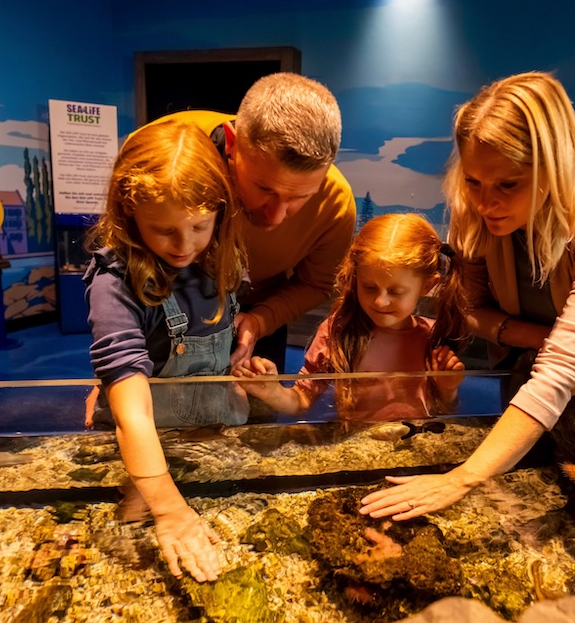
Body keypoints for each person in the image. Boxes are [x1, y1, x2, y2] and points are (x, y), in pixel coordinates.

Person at [359, 71, 575, 520]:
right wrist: (540, 338)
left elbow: (563, 368)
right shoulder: (473, 208)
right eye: (474, 181)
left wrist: (463, 477)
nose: (485, 203)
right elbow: (471, 309)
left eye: (508, 184)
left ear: (553, 168)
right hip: (537, 364)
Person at [83, 117, 247, 581]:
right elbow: (133, 413)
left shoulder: (221, 258)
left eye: (199, 226)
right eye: (163, 230)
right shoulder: (115, 284)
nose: (184, 245)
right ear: (129, 212)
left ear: (220, 212)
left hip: (209, 432)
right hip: (140, 447)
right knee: (132, 544)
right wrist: (170, 509)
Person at [143, 72, 356, 372]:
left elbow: (314, 284)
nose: (276, 216)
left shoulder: (336, 203)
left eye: (300, 197)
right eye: (265, 189)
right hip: (158, 307)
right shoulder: (157, 153)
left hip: (259, 311)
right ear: (232, 143)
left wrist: (260, 321)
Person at [233, 213, 469, 421]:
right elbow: (302, 401)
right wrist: (272, 391)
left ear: (427, 285)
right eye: (369, 287)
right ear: (356, 277)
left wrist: (448, 389)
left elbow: (445, 412)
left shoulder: (433, 337)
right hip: (357, 446)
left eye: (396, 291)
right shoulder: (338, 331)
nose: (380, 301)